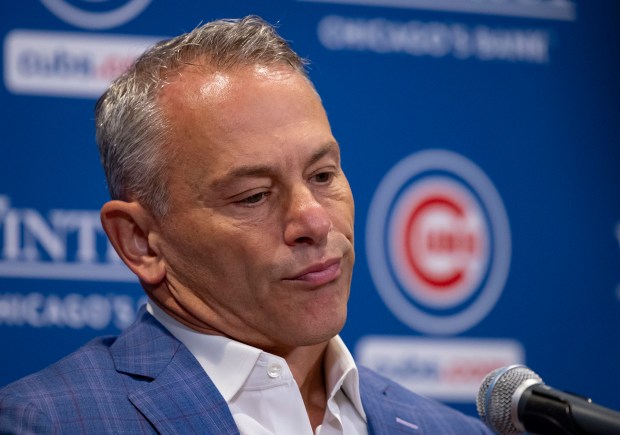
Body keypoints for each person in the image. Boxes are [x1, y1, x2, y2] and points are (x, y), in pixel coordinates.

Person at [0, 16, 492, 434]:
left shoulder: (450, 429)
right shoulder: (50, 421)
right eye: (254, 196)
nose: (315, 222)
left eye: (323, 175)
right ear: (141, 242)